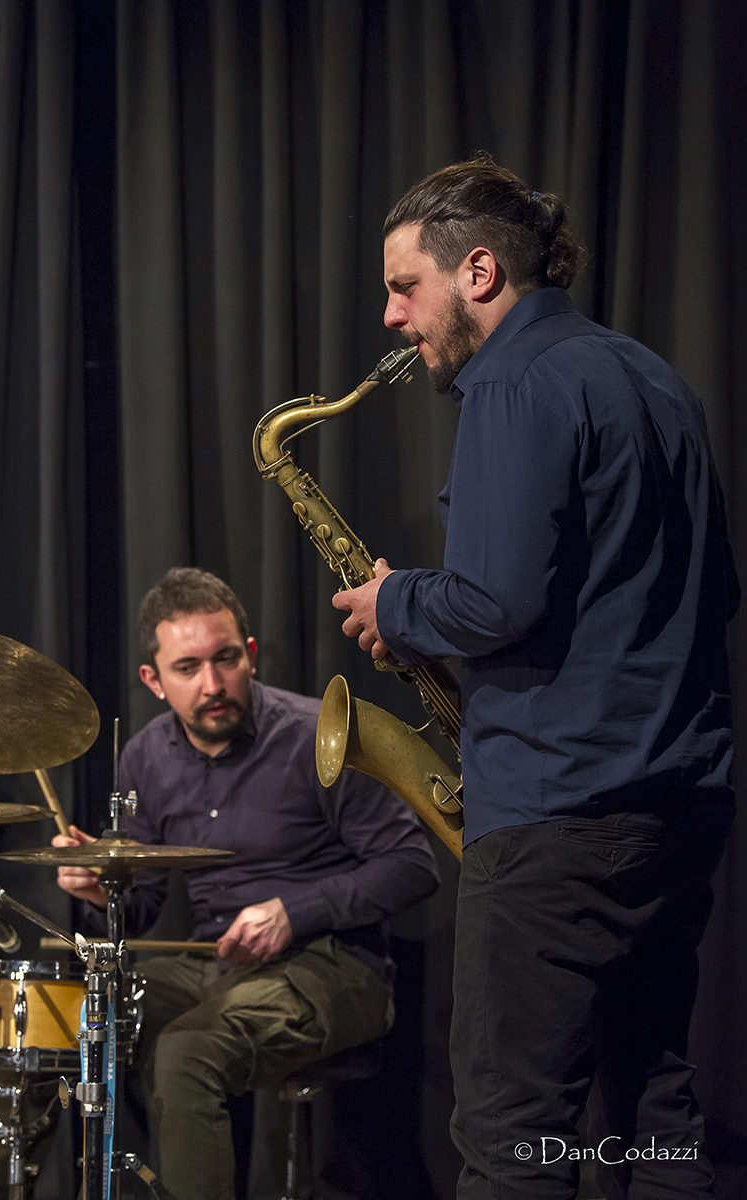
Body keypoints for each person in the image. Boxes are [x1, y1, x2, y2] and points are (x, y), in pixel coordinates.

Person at [333, 154, 740, 1200]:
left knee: (514, 1144)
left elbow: (495, 603)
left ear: (476, 272)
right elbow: (716, 591)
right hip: (676, 807)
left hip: (558, 818)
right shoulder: (652, 377)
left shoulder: (512, 382)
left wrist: (397, 604)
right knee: (653, 1121)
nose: (388, 315)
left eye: (401, 285)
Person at [54, 567, 439, 1200]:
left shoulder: (315, 735)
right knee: (72, 1016)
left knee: (185, 1053)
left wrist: (295, 910)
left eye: (226, 659)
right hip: (220, 965)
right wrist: (105, 894)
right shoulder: (145, 757)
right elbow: (144, 904)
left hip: (336, 966)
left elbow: (414, 864)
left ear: (249, 655)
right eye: (188, 668)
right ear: (153, 680)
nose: (213, 684)